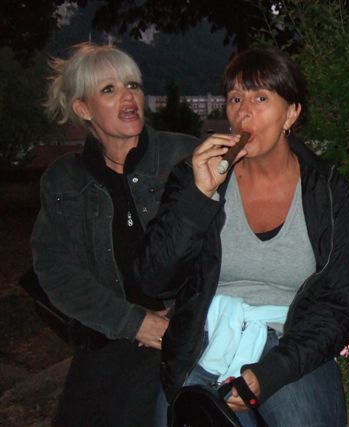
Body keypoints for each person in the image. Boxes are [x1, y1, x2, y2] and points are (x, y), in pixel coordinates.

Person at [134, 47, 349, 426]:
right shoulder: (196, 176)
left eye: (261, 98)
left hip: (293, 342)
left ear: (291, 113)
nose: (244, 112)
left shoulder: (326, 191)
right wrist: (199, 197)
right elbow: (154, 280)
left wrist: (271, 372)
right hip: (207, 338)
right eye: (235, 99)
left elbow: (340, 303)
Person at [31, 42, 199, 426]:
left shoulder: (185, 157)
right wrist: (133, 322)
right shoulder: (63, 180)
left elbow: (221, 246)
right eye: (109, 89)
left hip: (182, 331)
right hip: (109, 334)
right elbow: (57, 271)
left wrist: (176, 318)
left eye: (132, 85)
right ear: (83, 109)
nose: (128, 97)